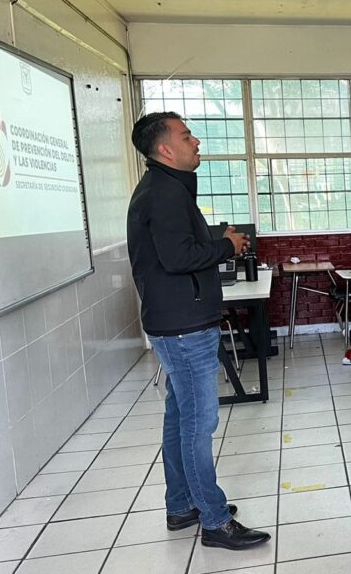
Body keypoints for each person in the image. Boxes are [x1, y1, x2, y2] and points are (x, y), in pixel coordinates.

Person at [126, 112, 269, 550]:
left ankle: (182, 504)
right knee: (197, 423)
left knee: (179, 416)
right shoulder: (165, 193)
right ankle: (213, 519)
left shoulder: (163, 189)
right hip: (184, 327)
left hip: (175, 322)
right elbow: (178, 257)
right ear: (165, 149)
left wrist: (215, 240)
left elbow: (175, 248)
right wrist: (226, 245)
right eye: (186, 136)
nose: (196, 141)